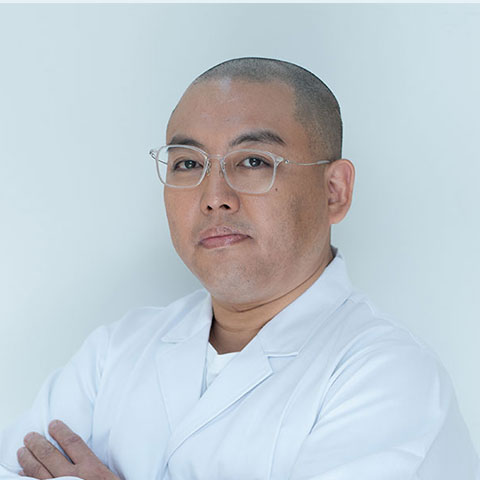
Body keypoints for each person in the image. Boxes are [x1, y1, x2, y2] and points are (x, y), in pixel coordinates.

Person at [1, 57, 479, 480]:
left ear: (334, 190)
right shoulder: (114, 353)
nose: (214, 198)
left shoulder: (389, 377)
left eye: (252, 161)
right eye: (188, 164)